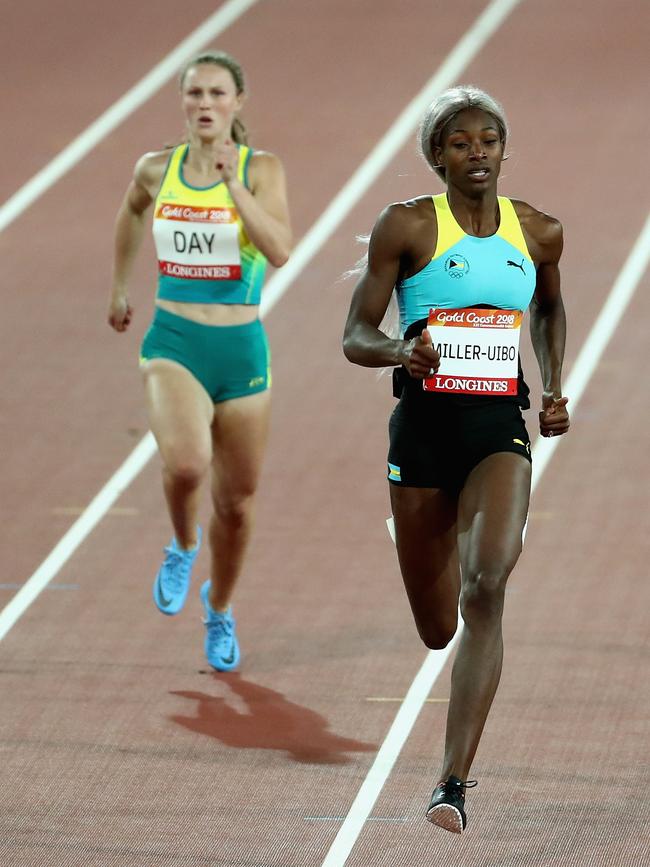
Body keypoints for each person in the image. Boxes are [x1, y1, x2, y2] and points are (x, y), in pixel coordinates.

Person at [342, 85, 569, 833]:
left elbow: (549, 305)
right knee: (439, 627)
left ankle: (453, 781)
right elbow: (355, 335)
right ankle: (415, 533)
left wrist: (554, 384)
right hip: (422, 433)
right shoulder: (406, 226)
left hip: (497, 427)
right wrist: (400, 350)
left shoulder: (537, 230)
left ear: (505, 149)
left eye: (489, 140)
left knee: (488, 582)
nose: (477, 153)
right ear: (438, 155)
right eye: (461, 142)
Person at [108, 50, 292, 671]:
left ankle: (220, 607)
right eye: (194, 94)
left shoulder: (260, 169)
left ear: (238, 102)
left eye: (217, 94)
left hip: (240, 349)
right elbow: (133, 210)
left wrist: (233, 185)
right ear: (182, 102)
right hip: (174, 341)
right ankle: (183, 545)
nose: (205, 104)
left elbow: (281, 250)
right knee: (187, 464)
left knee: (237, 505)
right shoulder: (157, 169)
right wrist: (119, 285)